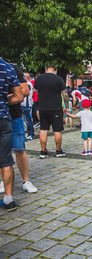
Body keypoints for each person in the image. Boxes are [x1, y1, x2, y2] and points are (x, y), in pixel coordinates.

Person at [0, 58, 24, 211]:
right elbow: (20, 96)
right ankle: (9, 199)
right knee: (6, 160)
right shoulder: (7, 67)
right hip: (3, 118)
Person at [34, 65, 68, 159]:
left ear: (46, 70)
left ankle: (43, 151)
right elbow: (64, 93)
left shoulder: (39, 78)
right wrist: (66, 106)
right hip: (55, 108)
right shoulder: (58, 79)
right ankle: (58, 150)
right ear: (55, 71)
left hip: (43, 107)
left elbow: (35, 90)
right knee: (57, 130)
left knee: (43, 130)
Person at [22, 72, 35, 140]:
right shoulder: (28, 84)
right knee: (27, 120)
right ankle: (30, 133)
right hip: (26, 104)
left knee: (28, 120)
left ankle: (31, 134)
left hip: (26, 104)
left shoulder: (27, 84)